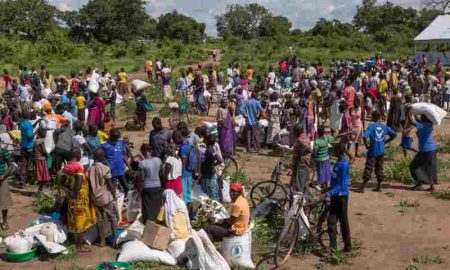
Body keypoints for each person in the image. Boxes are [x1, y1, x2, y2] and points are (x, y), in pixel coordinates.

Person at [61, 148, 97, 252]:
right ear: (77, 155)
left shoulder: (66, 167)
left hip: (71, 198)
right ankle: (79, 246)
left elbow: (62, 182)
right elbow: (80, 181)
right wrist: (75, 193)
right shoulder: (78, 167)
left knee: (73, 219)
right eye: (80, 154)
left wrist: (68, 191)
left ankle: (75, 241)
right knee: (80, 221)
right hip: (79, 199)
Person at [87, 148, 118, 247]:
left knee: (99, 219)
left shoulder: (90, 169)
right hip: (105, 198)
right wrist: (114, 195)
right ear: (102, 157)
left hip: (95, 198)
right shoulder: (105, 168)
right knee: (113, 217)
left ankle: (102, 241)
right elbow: (109, 184)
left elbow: (89, 185)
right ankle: (115, 241)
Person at [359, 111, 396, 193]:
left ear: (372, 117)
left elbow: (364, 137)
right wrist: (386, 141)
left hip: (372, 151)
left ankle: (362, 187)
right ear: (379, 118)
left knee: (369, 167)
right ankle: (379, 187)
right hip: (381, 151)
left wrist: (366, 145)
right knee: (379, 168)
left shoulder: (371, 126)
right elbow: (394, 134)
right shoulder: (384, 127)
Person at [325, 142, 351, 253]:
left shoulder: (344, 165)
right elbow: (335, 182)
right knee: (331, 222)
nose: (332, 152)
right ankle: (333, 249)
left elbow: (342, 185)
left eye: (334, 150)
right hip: (335, 196)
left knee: (343, 222)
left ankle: (348, 246)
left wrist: (328, 193)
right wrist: (328, 189)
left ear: (337, 152)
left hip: (341, 197)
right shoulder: (338, 162)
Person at [136, 144, 163, 223]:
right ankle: (157, 222)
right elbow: (161, 174)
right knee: (157, 206)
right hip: (158, 186)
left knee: (147, 208)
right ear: (151, 151)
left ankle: (148, 225)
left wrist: (139, 192)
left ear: (143, 151)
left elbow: (141, 180)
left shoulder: (142, 163)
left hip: (147, 188)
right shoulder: (158, 160)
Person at [410, 114, 437, 191]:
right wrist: (413, 114)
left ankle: (420, 183)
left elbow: (412, 122)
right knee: (428, 168)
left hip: (426, 150)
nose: (420, 117)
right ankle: (431, 186)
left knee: (413, 165)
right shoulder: (427, 124)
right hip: (430, 149)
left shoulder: (424, 125)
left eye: (421, 116)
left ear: (424, 118)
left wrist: (408, 113)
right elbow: (417, 121)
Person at [101, 128, 128, 196]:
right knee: (112, 188)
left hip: (121, 170)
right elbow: (102, 158)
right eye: (115, 138)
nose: (116, 139)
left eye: (117, 138)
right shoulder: (104, 146)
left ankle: (126, 197)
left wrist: (128, 166)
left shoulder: (120, 143)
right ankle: (114, 201)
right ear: (110, 136)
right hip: (112, 171)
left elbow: (123, 155)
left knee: (125, 186)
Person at [291, 123, 312, 195]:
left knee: (299, 186)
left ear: (297, 131)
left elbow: (295, 155)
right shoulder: (307, 137)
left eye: (294, 131)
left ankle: (300, 203)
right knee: (305, 184)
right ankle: (306, 201)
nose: (293, 133)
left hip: (300, 165)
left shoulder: (299, 141)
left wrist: (293, 165)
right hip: (307, 164)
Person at [201, 135, 223, 201]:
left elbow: (220, 160)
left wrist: (212, 165)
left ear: (207, 141)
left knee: (212, 193)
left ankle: (216, 207)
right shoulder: (211, 149)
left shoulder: (209, 150)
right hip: (208, 173)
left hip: (209, 174)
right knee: (211, 192)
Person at [18, 111, 34, 188]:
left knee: (23, 165)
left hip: (23, 146)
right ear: (28, 116)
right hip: (29, 146)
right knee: (30, 163)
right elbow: (29, 136)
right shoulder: (29, 125)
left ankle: (22, 181)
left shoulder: (21, 123)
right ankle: (29, 178)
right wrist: (34, 134)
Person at [0, 142, 12, 230]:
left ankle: (4, 221)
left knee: (4, 201)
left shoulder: (4, 151)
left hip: (2, 179)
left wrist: (3, 176)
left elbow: (11, 166)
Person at [35, 127, 50, 192]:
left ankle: (40, 188)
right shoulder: (41, 141)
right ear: (43, 133)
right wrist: (48, 155)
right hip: (41, 159)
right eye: (45, 133)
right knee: (42, 175)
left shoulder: (36, 140)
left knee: (40, 174)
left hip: (38, 158)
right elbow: (44, 151)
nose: (46, 134)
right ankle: (40, 189)